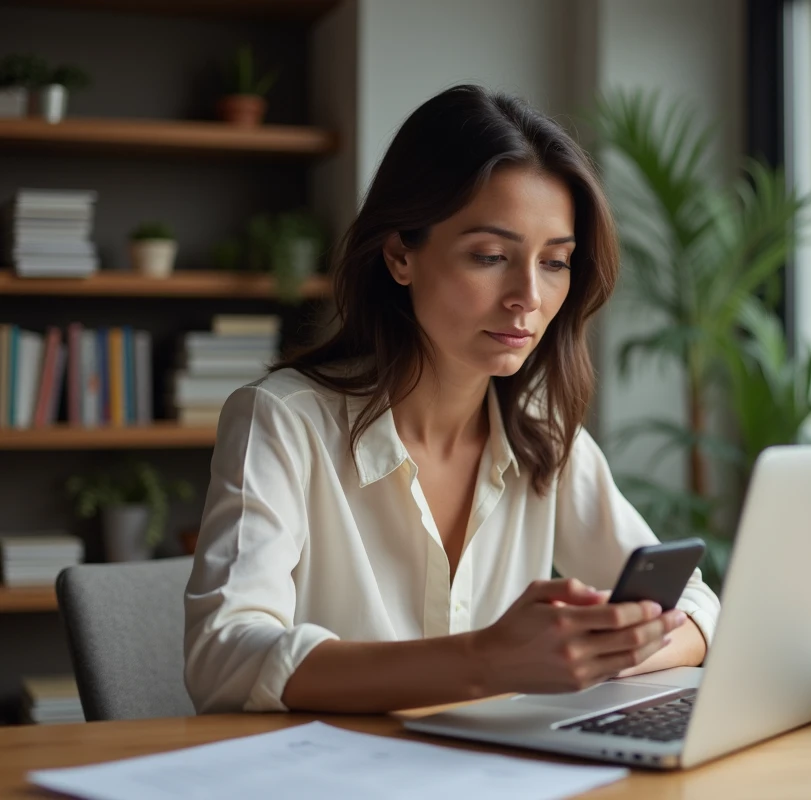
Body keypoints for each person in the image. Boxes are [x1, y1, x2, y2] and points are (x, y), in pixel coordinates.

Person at [183, 84, 720, 715]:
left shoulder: (542, 435)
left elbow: (693, 608)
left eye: (555, 263)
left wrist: (591, 660)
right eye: (490, 256)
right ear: (399, 255)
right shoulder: (282, 421)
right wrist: (489, 662)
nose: (528, 296)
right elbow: (225, 656)